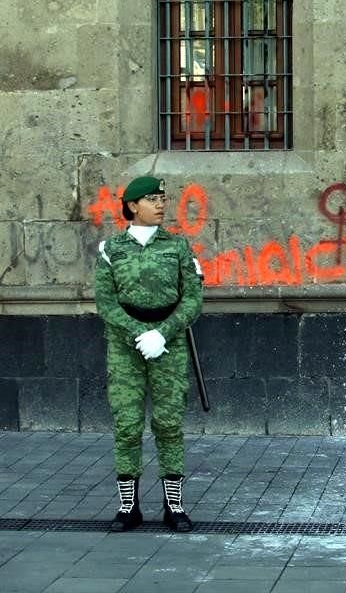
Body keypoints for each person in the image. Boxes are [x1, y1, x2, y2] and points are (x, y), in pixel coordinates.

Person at [94, 176, 203, 532]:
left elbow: (192, 299)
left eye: (163, 198)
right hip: (125, 348)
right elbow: (106, 304)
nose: (161, 205)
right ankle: (129, 507)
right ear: (131, 206)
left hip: (167, 345)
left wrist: (162, 332)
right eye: (152, 199)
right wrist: (139, 332)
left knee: (169, 424)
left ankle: (175, 506)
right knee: (127, 426)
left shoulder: (178, 247)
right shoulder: (111, 250)